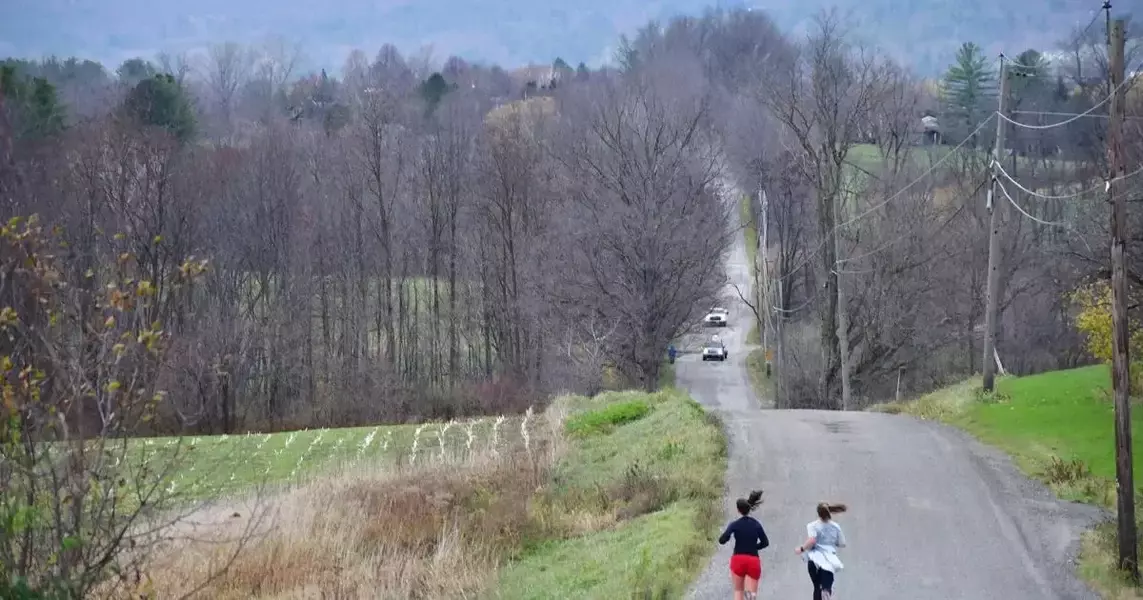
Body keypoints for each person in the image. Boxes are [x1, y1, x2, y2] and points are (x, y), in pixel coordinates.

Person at [718, 490, 769, 600]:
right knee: (752, 593)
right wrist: (755, 547)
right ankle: (751, 595)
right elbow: (765, 542)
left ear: (738, 510)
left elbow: (723, 539)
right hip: (753, 560)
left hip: (738, 559)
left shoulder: (735, 525)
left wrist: (723, 538)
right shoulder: (756, 524)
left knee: (738, 591)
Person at [794, 503, 848, 600]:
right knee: (827, 586)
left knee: (817, 586)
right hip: (829, 560)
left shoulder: (812, 526)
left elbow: (812, 540)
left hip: (814, 560)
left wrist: (801, 548)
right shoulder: (835, 527)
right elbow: (842, 543)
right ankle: (826, 593)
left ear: (818, 514)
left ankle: (820, 594)